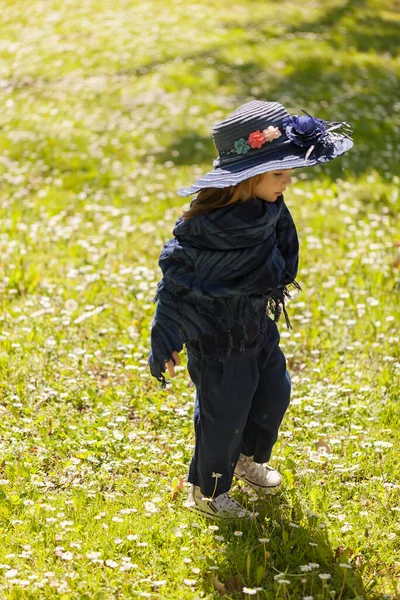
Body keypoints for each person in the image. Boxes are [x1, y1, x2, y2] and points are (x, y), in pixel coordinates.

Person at [148, 100, 353, 519]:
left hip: (256, 327)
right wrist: (166, 337)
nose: (288, 181)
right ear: (248, 178)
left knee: (273, 394)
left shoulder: (268, 212)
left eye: (289, 172)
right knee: (224, 416)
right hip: (218, 342)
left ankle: (246, 460)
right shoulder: (208, 230)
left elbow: (279, 258)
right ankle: (208, 490)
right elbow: (176, 285)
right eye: (279, 173)